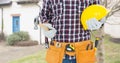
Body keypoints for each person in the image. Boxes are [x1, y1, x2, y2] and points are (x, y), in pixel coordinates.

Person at [39, 0, 105, 63]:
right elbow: (43, 16)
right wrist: (46, 27)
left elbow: (99, 13)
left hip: (84, 54)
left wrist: (100, 21)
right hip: (58, 54)